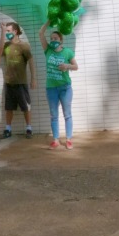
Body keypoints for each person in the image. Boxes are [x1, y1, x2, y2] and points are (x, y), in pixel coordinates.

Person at [38, 22, 77, 150]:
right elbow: (40, 33)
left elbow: (76, 66)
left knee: (67, 114)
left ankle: (69, 139)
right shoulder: (48, 50)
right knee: (53, 115)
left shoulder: (67, 52)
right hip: (51, 88)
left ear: (61, 40)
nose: (53, 40)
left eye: (56, 38)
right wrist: (49, 22)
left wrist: (67, 66)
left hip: (65, 88)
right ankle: (55, 140)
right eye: (52, 38)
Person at [0, 21, 35, 139]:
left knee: (25, 107)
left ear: (15, 31)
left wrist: (33, 78)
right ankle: (8, 129)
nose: (7, 33)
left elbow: (31, 62)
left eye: (8, 31)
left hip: (21, 83)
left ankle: (29, 128)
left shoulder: (24, 46)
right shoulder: (6, 46)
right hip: (9, 83)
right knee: (9, 108)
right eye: (5, 31)